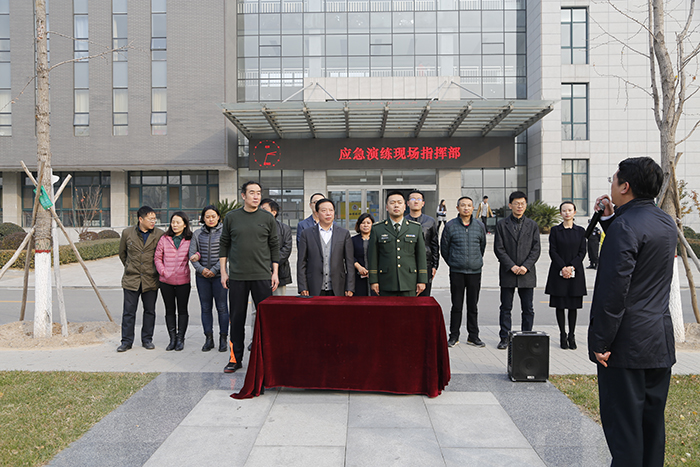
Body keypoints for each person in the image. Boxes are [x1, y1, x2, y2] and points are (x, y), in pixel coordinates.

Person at [588, 157, 676, 467]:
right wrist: (610, 220)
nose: (611, 185)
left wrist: (600, 341)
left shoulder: (624, 227)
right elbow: (642, 255)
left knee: (625, 433)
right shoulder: (666, 222)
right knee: (651, 430)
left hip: (625, 346)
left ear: (625, 186)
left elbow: (614, 292)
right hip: (658, 343)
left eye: (613, 180)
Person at [220, 181, 279, 373]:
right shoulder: (232, 217)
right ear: (243, 196)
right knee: (237, 319)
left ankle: (265, 358)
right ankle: (235, 359)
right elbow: (224, 244)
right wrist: (223, 272)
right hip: (237, 276)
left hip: (262, 275)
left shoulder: (267, 218)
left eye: (259, 193)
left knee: (265, 319)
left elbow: (274, 245)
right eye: (252, 192)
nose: (256, 196)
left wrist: (275, 272)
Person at [493, 191, 541, 350]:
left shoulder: (532, 225)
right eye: (516, 203)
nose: (520, 206)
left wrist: (525, 266)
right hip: (508, 272)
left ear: (526, 205)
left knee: (528, 308)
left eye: (522, 203)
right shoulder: (502, 224)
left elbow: (536, 249)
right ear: (510, 205)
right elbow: (499, 248)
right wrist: (511, 266)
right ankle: (504, 338)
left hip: (527, 273)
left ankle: (526, 337)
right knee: (505, 308)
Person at [441, 196, 487, 348]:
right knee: (457, 305)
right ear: (457, 208)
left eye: (469, 205)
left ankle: (473, 336)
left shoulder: (479, 225)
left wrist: (475, 261)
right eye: (463, 205)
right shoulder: (450, 225)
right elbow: (444, 248)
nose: (466, 208)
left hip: (475, 272)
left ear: (473, 208)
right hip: (457, 272)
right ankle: (454, 336)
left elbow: (482, 246)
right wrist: (453, 262)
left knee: (473, 306)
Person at [117, 206, 164, 352]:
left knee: (149, 311)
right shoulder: (127, 233)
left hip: (151, 279)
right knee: (128, 312)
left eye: (154, 219)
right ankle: (126, 341)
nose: (153, 221)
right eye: (150, 219)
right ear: (140, 219)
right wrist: (131, 267)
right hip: (132, 279)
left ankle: (147, 339)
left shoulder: (159, 234)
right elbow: (122, 254)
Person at [368, 191, 428, 296]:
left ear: (405, 207)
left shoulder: (415, 228)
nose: (396, 205)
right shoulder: (378, 228)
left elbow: (421, 255)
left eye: (399, 203)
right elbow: (373, 256)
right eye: (392, 203)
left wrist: (422, 280)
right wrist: (374, 280)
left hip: (409, 281)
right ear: (387, 207)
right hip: (386, 281)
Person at [544, 202, 586, 350]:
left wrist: (571, 267)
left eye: (570, 210)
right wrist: (563, 267)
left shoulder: (580, 231)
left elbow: (582, 251)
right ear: (560, 213)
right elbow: (552, 251)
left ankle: (572, 335)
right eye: (564, 210)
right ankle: (562, 335)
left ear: (574, 212)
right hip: (558, 271)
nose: (567, 213)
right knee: (560, 306)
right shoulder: (555, 230)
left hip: (576, 272)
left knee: (573, 306)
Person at [189, 205, 229, 352]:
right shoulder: (197, 234)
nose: (211, 219)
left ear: (218, 217)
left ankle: (223, 339)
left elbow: (228, 253)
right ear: (203, 218)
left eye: (213, 216)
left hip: (220, 276)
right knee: (205, 308)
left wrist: (214, 270)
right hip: (202, 278)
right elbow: (192, 255)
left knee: (222, 308)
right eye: (207, 217)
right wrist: (202, 270)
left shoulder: (225, 232)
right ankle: (209, 339)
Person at [297, 198, 355, 296]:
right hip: (313, 285)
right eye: (324, 210)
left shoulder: (344, 234)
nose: (328, 213)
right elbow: (301, 262)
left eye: (331, 210)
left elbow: (349, 262)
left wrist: (350, 287)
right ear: (317, 213)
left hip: (338, 286)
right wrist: (303, 286)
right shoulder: (306, 234)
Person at [155, 211, 193, 351]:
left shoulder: (190, 239)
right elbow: (157, 258)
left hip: (183, 281)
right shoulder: (164, 239)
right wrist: (163, 272)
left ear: (185, 224)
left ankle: (180, 339)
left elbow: (197, 252)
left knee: (182, 310)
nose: (175, 225)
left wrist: (197, 255)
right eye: (173, 222)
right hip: (166, 282)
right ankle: (172, 339)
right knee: (169, 310)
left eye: (178, 222)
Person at [407, 189, 439, 296]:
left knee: (424, 297)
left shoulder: (430, 221)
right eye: (413, 199)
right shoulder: (403, 221)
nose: (416, 201)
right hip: (406, 265)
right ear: (408, 203)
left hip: (426, 264)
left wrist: (435, 265)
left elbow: (434, 244)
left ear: (423, 203)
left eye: (419, 199)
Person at [261, 198, 293, 296]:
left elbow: (286, 250)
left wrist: (270, 265)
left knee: (278, 302)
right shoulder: (255, 228)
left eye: (264, 210)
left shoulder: (284, 229)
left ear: (274, 212)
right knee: (259, 303)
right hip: (259, 272)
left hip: (279, 273)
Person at [352, 213, 374, 296]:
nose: (365, 225)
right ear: (359, 225)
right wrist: (359, 267)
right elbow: (350, 256)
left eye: (368, 223)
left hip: (374, 277)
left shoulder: (376, 239)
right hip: (358, 276)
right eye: (363, 223)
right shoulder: (353, 240)